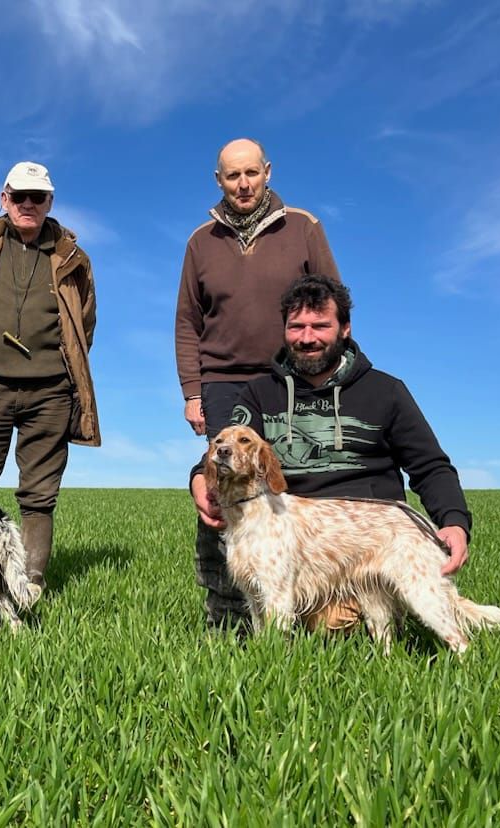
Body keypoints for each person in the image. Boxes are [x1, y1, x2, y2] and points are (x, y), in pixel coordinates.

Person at [189, 275, 471, 632]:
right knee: (285, 612)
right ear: (285, 330)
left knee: (336, 630)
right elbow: (226, 445)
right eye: (297, 327)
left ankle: (369, 616)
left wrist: (454, 521)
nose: (307, 338)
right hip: (294, 539)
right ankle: (233, 619)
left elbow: (430, 466)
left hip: (364, 542)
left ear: (345, 329)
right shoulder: (260, 393)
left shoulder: (386, 392)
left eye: (320, 326)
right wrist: (199, 477)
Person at [174, 137, 340, 629]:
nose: (243, 184)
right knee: (220, 483)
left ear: (267, 171)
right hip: (223, 380)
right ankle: (225, 614)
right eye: (232, 176)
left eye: (251, 173)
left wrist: (332, 371)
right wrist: (192, 391)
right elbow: (187, 321)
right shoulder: (201, 241)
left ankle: (306, 608)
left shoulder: (304, 227)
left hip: (291, 375)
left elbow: (330, 299)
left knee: (292, 481)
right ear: (218, 180)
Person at [0, 161, 100, 588]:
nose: (28, 205)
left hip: (52, 390)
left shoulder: (74, 258)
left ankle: (28, 586)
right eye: (19, 196)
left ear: (50, 202)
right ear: (3, 198)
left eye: (38, 197)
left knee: (40, 493)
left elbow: (83, 325)